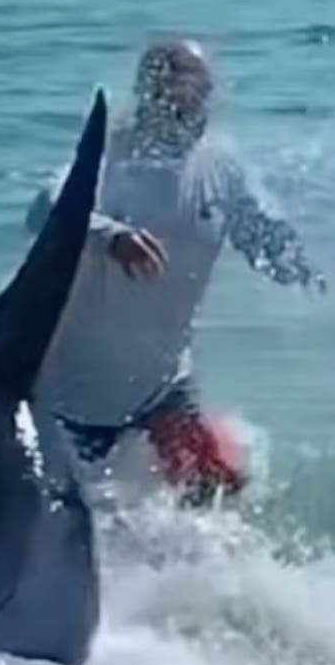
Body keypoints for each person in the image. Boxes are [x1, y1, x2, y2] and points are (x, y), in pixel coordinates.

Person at [25, 38, 325, 505]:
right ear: (152, 92)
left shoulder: (219, 166)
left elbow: (261, 234)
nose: (197, 103)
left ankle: (200, 580)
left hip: (163, 384)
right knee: (73, 523)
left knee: (220, 492)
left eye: (203, 91)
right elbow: (44, 209)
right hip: (75, 395)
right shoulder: (108, 157)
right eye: (182, 90)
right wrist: (111, 236)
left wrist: (302, 270)